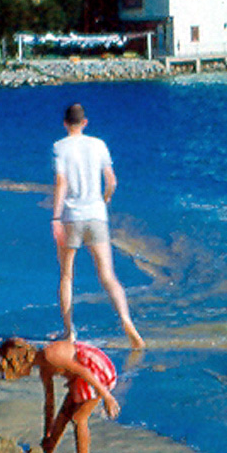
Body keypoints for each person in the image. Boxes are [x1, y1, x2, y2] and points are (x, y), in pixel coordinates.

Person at [52, 103, 143, 348]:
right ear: (85, 123)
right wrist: (105, 198)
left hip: (71, 216)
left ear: (64, 123)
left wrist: (55, 217)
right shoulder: (99, 144)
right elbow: (111, 180)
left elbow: (61, 182)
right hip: (96, 215)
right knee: (108, 275)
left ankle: (69, 331)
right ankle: (126, 321)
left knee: (67, 275)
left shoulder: (60, 147)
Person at [0, 336, 119, 453]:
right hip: (80, 377)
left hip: (95, 371)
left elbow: (83, 372)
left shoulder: (50, 355)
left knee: (79, 418)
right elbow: (50, 404)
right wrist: (47, 436)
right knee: (64, 414)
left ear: (20, 362)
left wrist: (107, 397)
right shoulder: (44, 370)